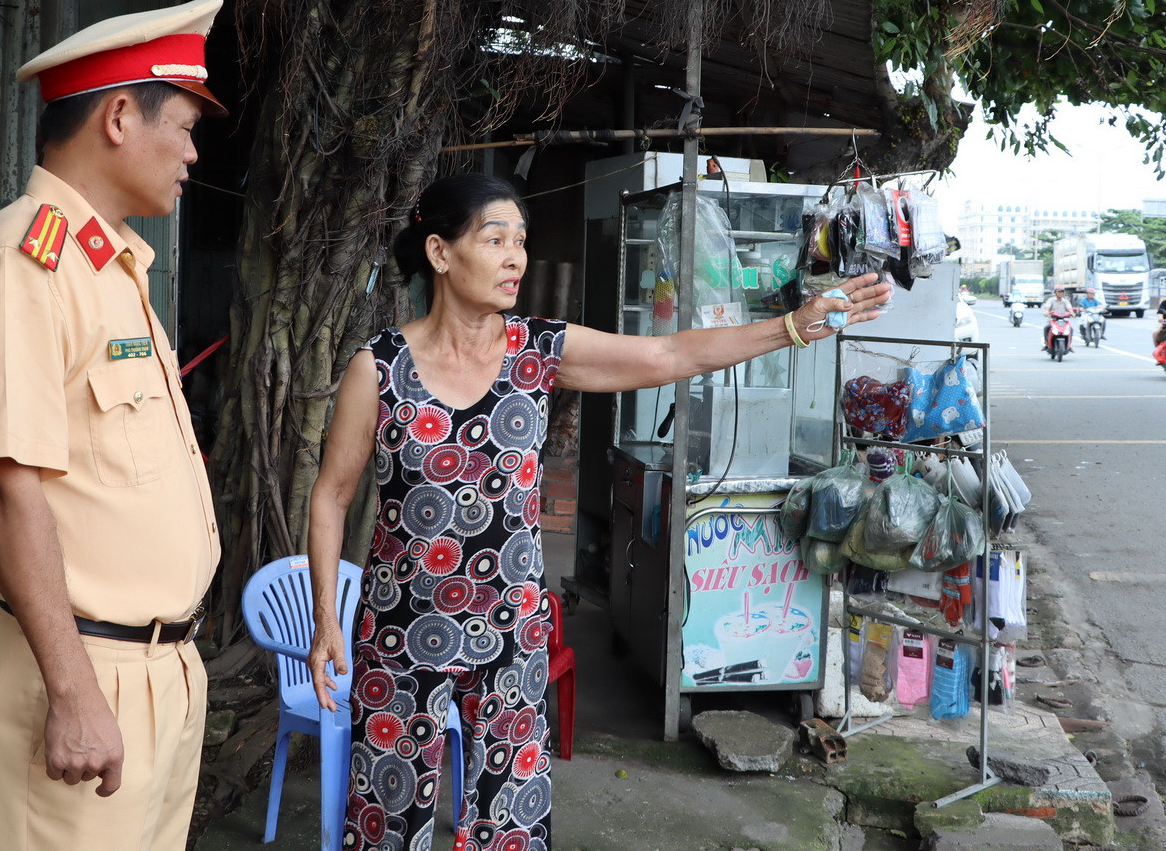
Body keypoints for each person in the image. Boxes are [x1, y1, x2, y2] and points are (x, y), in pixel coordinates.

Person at [304, 174, 892, 851]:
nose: (515, 257)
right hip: (401, 636)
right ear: (440, 252)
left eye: (520, 241)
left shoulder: (536, 351)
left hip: (509, 638)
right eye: (495, 239)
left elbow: (669, 353)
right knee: (386, 817)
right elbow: (332, 494)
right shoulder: (377, 368)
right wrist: (327, 622)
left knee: (510, 827)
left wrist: (792, 327)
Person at [0, 0, 227, 851]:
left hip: (157, 671)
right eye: (183, 126)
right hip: (78, 675)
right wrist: (73, 694)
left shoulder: (107, 265)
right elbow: (7, 488)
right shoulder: (25, 262)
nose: (193, 152)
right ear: (118, 116)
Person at [1040, 284, 1073, 352]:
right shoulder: (1051, 300)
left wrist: (1072, 313)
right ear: (1055, 292)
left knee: (1071, 329)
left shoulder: (1065, 301)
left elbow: (1069, 308)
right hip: (1053, 320)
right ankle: (1046, 343)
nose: (1060, 293)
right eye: (1059, 291)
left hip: (1063, 320)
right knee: (1047, 328)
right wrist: (1047, 312)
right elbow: (1047, 308)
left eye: (1062, 292)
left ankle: (1068, 345)